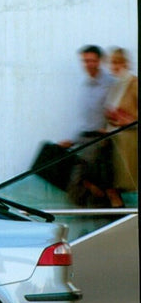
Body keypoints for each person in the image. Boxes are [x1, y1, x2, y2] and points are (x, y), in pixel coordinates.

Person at [58, 45, 116, 205]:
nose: (88, 64)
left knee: (81, 181)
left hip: (101, 142)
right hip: (85, 139)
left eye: (92, 60)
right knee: (72, 181)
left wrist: (109, 132)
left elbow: (118, 112)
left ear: (99, 61)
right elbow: (86, 120)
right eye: (85, 61)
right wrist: (72, 140)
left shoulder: (111, 83)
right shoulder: (85, 84)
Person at [104, 47, 138, 204]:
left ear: (126, 63)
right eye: (112, 63)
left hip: (129, 140)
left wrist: (129, 121)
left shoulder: (133, 84)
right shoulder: (116, 85)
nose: (114, 66)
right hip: (115, 138)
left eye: (118, 62)